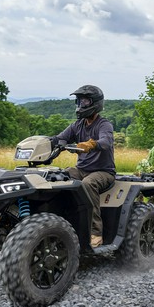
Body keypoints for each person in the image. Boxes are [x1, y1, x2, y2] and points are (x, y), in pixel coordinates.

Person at [52, 85, 115, 248]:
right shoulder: (77, 124)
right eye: (79, 101)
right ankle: (59, 224)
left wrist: (91, 144)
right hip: (81, 170)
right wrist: (48, 143)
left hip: (103, 172)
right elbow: (60, 138)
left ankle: (96, 233)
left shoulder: (104, 125)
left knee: (88, 184)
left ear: (95, 103)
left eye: (85, 101)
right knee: (58, 176)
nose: (81, 104)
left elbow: (106, 142)